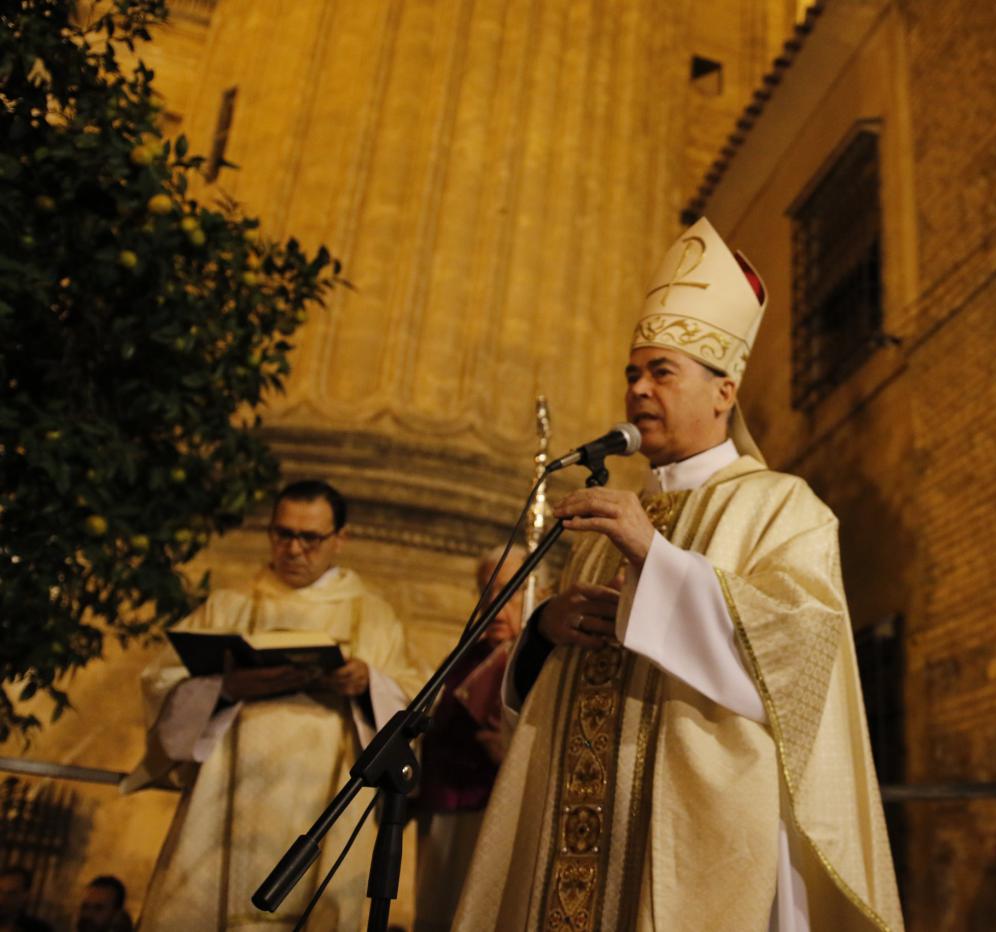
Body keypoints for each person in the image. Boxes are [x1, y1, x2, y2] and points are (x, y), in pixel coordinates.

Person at [450, 217, 902, 931]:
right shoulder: (611, 518)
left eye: (662, 372)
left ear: (724, 393)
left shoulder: (781, 507)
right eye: (632, 374)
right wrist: (544, 630)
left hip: (701, 846)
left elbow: (800, 658)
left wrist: (654, 557)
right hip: (578, 830)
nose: (638, 390)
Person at [122, 479, 420, 931]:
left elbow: (414, 699)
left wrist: (367, 682)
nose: (294, 550)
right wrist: (227, 687)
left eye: (310, 538)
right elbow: (161, 683)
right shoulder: (230, 606)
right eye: (283, 534)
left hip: (328, 794)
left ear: (340, 538)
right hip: (227, 793)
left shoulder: (374, 616)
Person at [413, 546, 526, 932]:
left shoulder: (540, 659)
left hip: (500, 811)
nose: (494, 604)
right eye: (486, 591)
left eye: (510, 591)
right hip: (446, 806)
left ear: (538, 594)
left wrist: (512, 753)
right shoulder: (465, 655)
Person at [0, 866, 51, 932]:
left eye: (11, 894)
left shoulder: (39, 928)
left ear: (25, 896)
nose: (2, 899)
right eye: (0, 891)